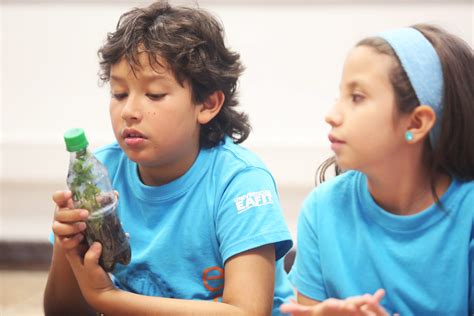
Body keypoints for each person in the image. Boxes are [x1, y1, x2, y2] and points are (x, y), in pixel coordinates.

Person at [43, 2, 294, 315]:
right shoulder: (102, 173)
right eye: (119, 94)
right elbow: (62, 312)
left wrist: (108, 298)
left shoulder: (239, 180)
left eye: (155, 95)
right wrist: (68, 248)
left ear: (207, 104)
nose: (130, 111)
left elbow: (246, 312)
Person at [281, 24, 473, 315]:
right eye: (340, 96)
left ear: (416, 123)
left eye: (357, 97)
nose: (331, 115)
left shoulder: (468, 214)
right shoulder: (323, 208)